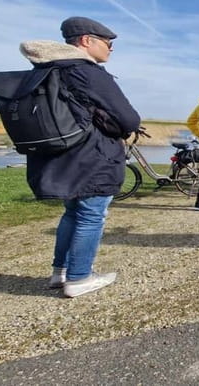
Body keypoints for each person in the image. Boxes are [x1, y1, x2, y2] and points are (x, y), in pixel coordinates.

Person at [19, 16, 141, 297]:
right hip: (93, 158)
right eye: (108, 43)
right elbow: (128, 118)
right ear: (87, 40)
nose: (111, 49)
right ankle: (80, 277)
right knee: (91, 216)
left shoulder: (49, 69)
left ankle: (59, 271)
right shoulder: (86, 71)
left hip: (65, 156)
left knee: (72, 213)